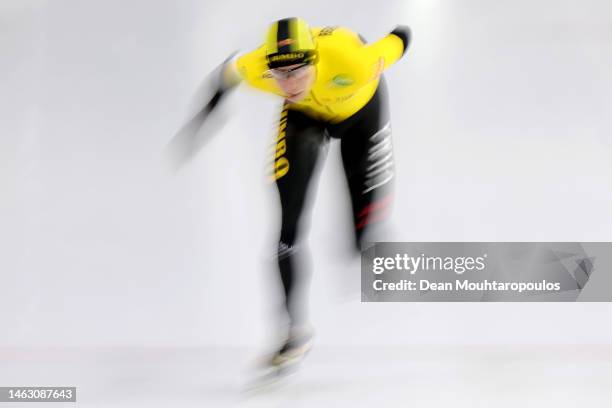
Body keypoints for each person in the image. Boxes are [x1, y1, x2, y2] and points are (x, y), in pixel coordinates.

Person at [173, 17, 411, 369]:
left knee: (361, 233)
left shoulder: (355, 61)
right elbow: (224, 77)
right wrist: (198, 125)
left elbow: (400, 39)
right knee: (287, 233)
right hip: (305, 117)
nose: (290, 83)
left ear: (314, 61)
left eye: (298, 71)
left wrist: (400, 31)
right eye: (280, 75)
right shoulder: (258, 69)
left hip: (363, 112)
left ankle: (362, 241)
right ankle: (292, 333)